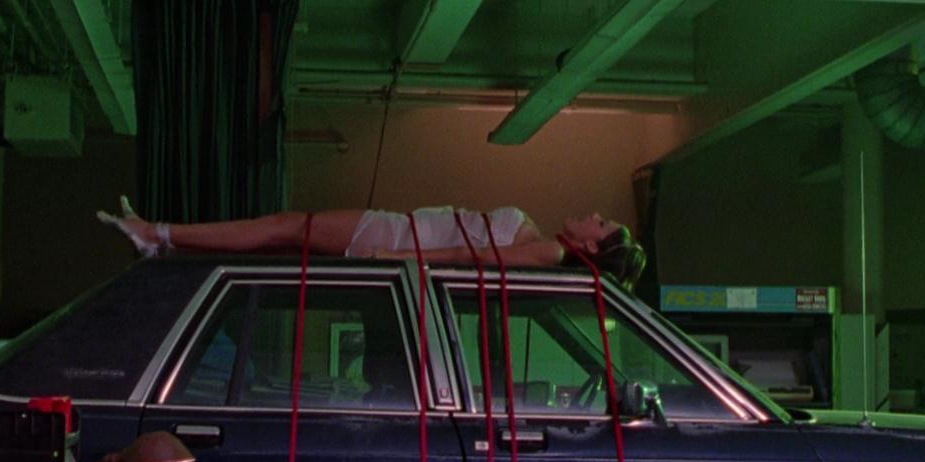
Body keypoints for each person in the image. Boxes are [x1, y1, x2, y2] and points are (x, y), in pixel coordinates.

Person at [97, 199, 648, 289]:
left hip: (397, 237)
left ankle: (159, 235)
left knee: (285, 227)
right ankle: (163, 239)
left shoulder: (550, 254)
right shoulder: (546, 244)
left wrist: (398, 257)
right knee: (284, 231)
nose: (594, 214)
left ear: (592, 246)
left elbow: (470, 258)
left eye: (602, 224)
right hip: (400, 233)